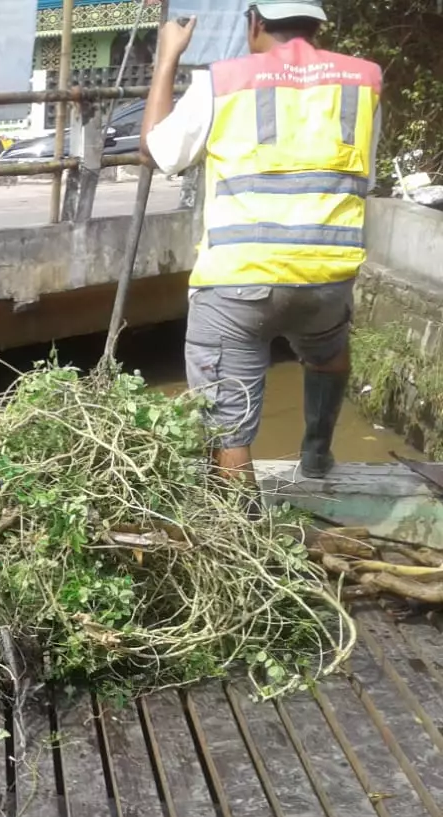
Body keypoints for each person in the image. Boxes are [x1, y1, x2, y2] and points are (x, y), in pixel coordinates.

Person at [140, 1, 381, 483]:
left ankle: (245, 542)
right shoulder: (363, 80)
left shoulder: (221, 80)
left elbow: (155, 152)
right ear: (317, 27)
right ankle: (316, 458)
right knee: (329, 352)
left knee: (229, 427)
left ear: (254, 23)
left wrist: (167, 58)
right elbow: (365, 176)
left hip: (238, 284)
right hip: (328, 277)